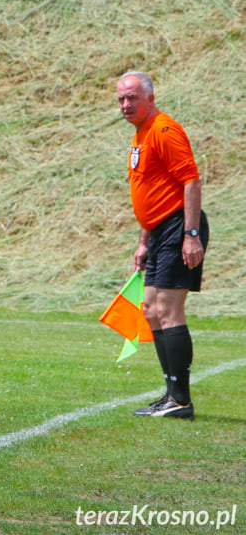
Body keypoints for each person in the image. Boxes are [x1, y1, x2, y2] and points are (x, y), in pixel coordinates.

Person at [116, 71, 209, 421]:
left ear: (150, 99)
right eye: (121, 99)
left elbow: (191, 181)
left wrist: (191, 234)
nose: (126, 104)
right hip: (158, 233)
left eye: (132, 98)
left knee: (169, 311)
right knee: (151, 310)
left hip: (178, 228)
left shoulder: (164, 130)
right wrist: (144, 241)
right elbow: (148, 192)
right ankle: (171, 395)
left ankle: (181, 401)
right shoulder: (141, 134)